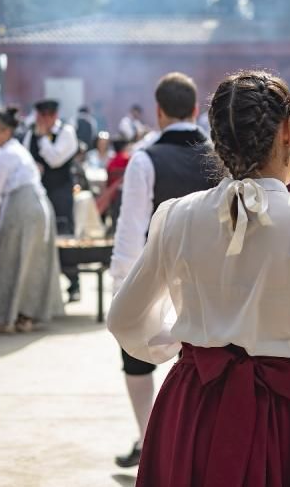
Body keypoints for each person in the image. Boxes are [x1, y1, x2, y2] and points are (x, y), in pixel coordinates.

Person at [108, 70, 290, 486]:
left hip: (193, 402)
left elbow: (124, 319)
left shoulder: (176, 215)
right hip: (285, 408)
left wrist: (180, 340)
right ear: (289, 133)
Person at [108, 73, 217, 469]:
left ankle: (150, 437)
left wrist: (123, 285)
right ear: (193, 110)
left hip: (159, 272)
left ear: (158, 112)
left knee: (136, 358)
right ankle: (193, 445)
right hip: (211, 277)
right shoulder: (220, 154)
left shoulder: (145, 158)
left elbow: (131, 228)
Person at [0, 108, 63, 334]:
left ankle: (4, 318)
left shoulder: (4, 154)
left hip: (22, 207)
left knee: (9, 261)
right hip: (38, 206)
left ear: (6, 132)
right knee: (31, 262)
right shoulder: (17, 150)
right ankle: (25, 315)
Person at [21, 98, 80, 300]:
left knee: (64, 234)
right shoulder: (31, 134)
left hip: (61, 191)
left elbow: (56, 159)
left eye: (47, 115)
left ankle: (73, 283)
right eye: (41, 115)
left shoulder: (66, 132)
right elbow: (25, 156)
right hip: (38, 191)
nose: (44, 119)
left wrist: (44, 138)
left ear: (54, 115)